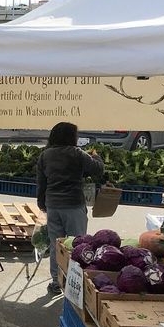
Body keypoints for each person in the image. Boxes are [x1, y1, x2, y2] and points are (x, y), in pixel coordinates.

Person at [37, 122, 104, 295]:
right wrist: (96, 156)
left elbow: (41, 183)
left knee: (56, 244)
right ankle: (74, 281)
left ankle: (55, 281)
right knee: (77, 245)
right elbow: (98, 170)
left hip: (53, 205)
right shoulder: (77, 154)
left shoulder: (45, 155)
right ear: (70, 137)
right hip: (73, 205)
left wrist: (42, 203)